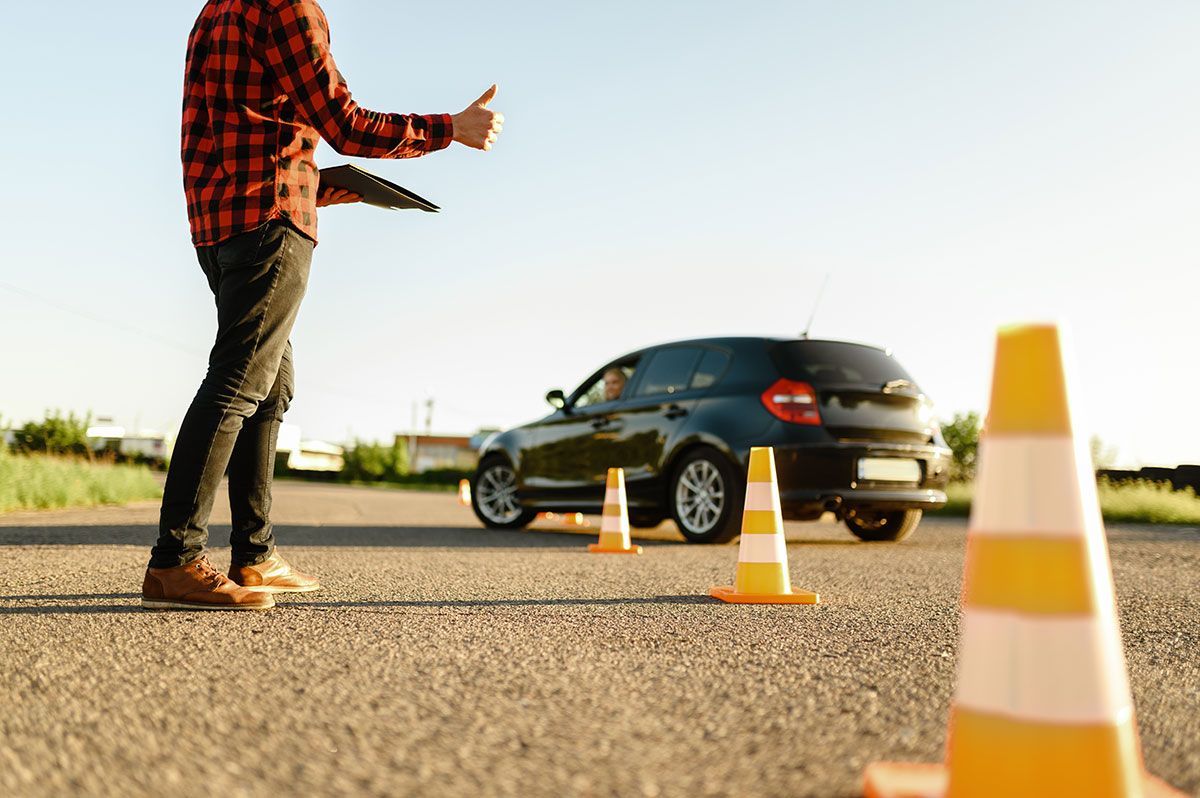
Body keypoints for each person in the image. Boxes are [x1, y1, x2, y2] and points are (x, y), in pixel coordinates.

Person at [142, 0, 503, 611]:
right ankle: (175, 560)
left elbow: (239, 137)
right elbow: (345, 123)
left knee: (270, 386)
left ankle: (253, 555)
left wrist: (331, 187)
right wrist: (453, 128)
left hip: (220, 225)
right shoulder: (288, 7)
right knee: (237, 383)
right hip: (269, 227)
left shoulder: (215, 11)